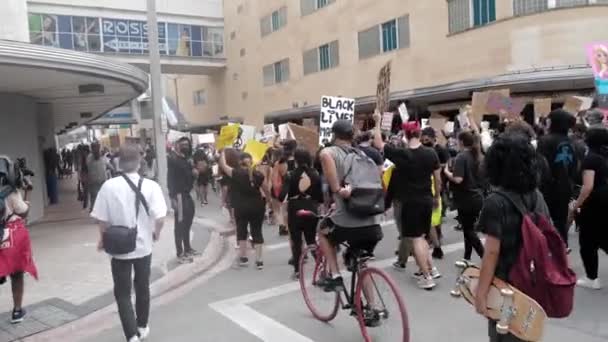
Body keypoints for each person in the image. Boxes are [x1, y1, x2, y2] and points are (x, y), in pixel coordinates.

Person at [475, 133, 551, 342]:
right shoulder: (537, 195)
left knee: (504, 333)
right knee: (527, 334)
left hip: (506, 286)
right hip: (534, 281)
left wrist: (480, 294)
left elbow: (491, 253)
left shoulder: (495, 202)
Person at [91, 145, 167, 342]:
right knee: (142, 286)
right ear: (140, 163)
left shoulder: (108, 186)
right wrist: (156, 234)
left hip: (118, 248)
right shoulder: (151, 186)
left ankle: (131, 335)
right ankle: (142, 326)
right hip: (143, 246)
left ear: (118, 163)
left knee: (122, 293)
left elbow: (102, 219)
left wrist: (102, 238)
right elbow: (160, 218)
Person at [372, 114, 441, 289]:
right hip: (426, 199)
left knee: (416, 238)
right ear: (418, 133)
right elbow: (437, 178)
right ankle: (430, 269)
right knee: (423, 237)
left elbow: (379, 143)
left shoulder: (402, 154)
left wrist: (377, 122)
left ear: (405, 134)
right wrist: (436, 197)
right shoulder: (431, 152)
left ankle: (427, 276)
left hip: (411, 202)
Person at [317, 120, 384, 293]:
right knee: (362, 264)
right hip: (372, 223)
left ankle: (335, 276)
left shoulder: (328, 153)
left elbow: (335, 189)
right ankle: (373, 308)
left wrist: (340, 192)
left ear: (333, 135)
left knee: (322, 231)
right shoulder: (363, 155)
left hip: (347, 222)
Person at [0, 156, 37, 324]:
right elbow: (23, 212)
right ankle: (17, 311)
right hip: (11, 238)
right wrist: (26, 201)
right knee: (16, 274)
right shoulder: (11, 191)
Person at [569, 128, 608, 289]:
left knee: (587, 241)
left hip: (594, 203)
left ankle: (592, 278)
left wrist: (576, 204)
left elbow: (588, 186)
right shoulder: (604, 157)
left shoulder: (590, 159)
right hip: (605, 199)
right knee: (604, 235)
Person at [218, 151, 266, 269]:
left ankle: (243, 258)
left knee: (242, 231)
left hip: (241, 206)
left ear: (240, 162)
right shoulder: (258, 174)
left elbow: (223, 165)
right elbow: (265, 189)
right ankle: (259, 261)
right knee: (257, 231)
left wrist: (223, 151)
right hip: (257, 206)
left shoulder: (236, 173)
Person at [538, 109, 577, 248]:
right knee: (561, 222)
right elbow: (575, 167)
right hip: (566, 187)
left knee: (543, 221)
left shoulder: (545, 141)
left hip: (548, 187)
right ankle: (563, 250)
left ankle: (548, 254)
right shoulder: (572, 142)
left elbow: (541, 165)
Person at [444, 131, 485, 261]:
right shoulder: (478, 156)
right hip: (477, 196)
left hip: (466, 198)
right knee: (468, 227)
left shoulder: (462, 157)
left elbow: (458, 179)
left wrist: (446, 172)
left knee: (468, 230)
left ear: (461, 142)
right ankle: (467, 257)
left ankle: (483, 255)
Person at [286, 148, 323, 279]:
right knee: (311, 239)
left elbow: (282, 195)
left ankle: (297, 271)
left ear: (295, 160)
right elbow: (320, 197)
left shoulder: (291, 175)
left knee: (296, 242)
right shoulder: (315, 174)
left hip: (295, 208)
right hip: (311, 207)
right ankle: (322, 266)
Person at [167, 137, 199, 264]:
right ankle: (180, 253)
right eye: (183, 144)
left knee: (188, 221)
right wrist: (172, 198)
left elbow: (189, 177)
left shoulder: (187, 160)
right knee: (179, 225)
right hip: (179, 196)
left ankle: (188, 248)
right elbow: (170, 180)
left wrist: (194, 173)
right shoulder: (173, 160)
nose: (186, 146)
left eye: (187, 144)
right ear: (177, 145)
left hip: (187, 194)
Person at [421, 127, 450, 259]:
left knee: (436, 216)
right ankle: (433, 240)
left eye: (427, 138)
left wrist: (437, 166)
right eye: (423, 138)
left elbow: (447, 164)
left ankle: (436, 239)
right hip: (430, 187)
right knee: (433, 217)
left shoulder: (440, 150)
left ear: (433, 138)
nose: (424, 140)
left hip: (438, 185)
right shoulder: (424, 151)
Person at [86, 142, 109, 212]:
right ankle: (95, 210)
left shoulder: (101, 156)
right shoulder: (90, 157)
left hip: (102, 180)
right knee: (94, 196)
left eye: (98, 147)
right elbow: (89, 165)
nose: (97, 149)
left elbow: (107, 164)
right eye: (95, 147)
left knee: (102, 196)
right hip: (94, 181)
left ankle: (101, 210)